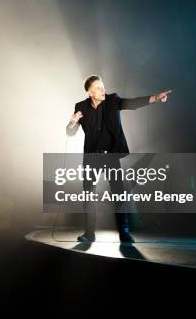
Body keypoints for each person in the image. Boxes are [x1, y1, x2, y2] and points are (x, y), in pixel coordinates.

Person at [66, 75, 172, 243]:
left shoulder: (113, 100)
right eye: (99, 88)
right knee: (88, 195)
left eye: (103, 86)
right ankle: (89, 233)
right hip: (91, 157)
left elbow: (133, 103)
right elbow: (70, 133)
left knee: (119, 194)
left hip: (110, 156)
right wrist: (72, 123)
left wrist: (155, 98)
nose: (103, 90)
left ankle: (124, 232)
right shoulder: (81, 107)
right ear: (89, 92)